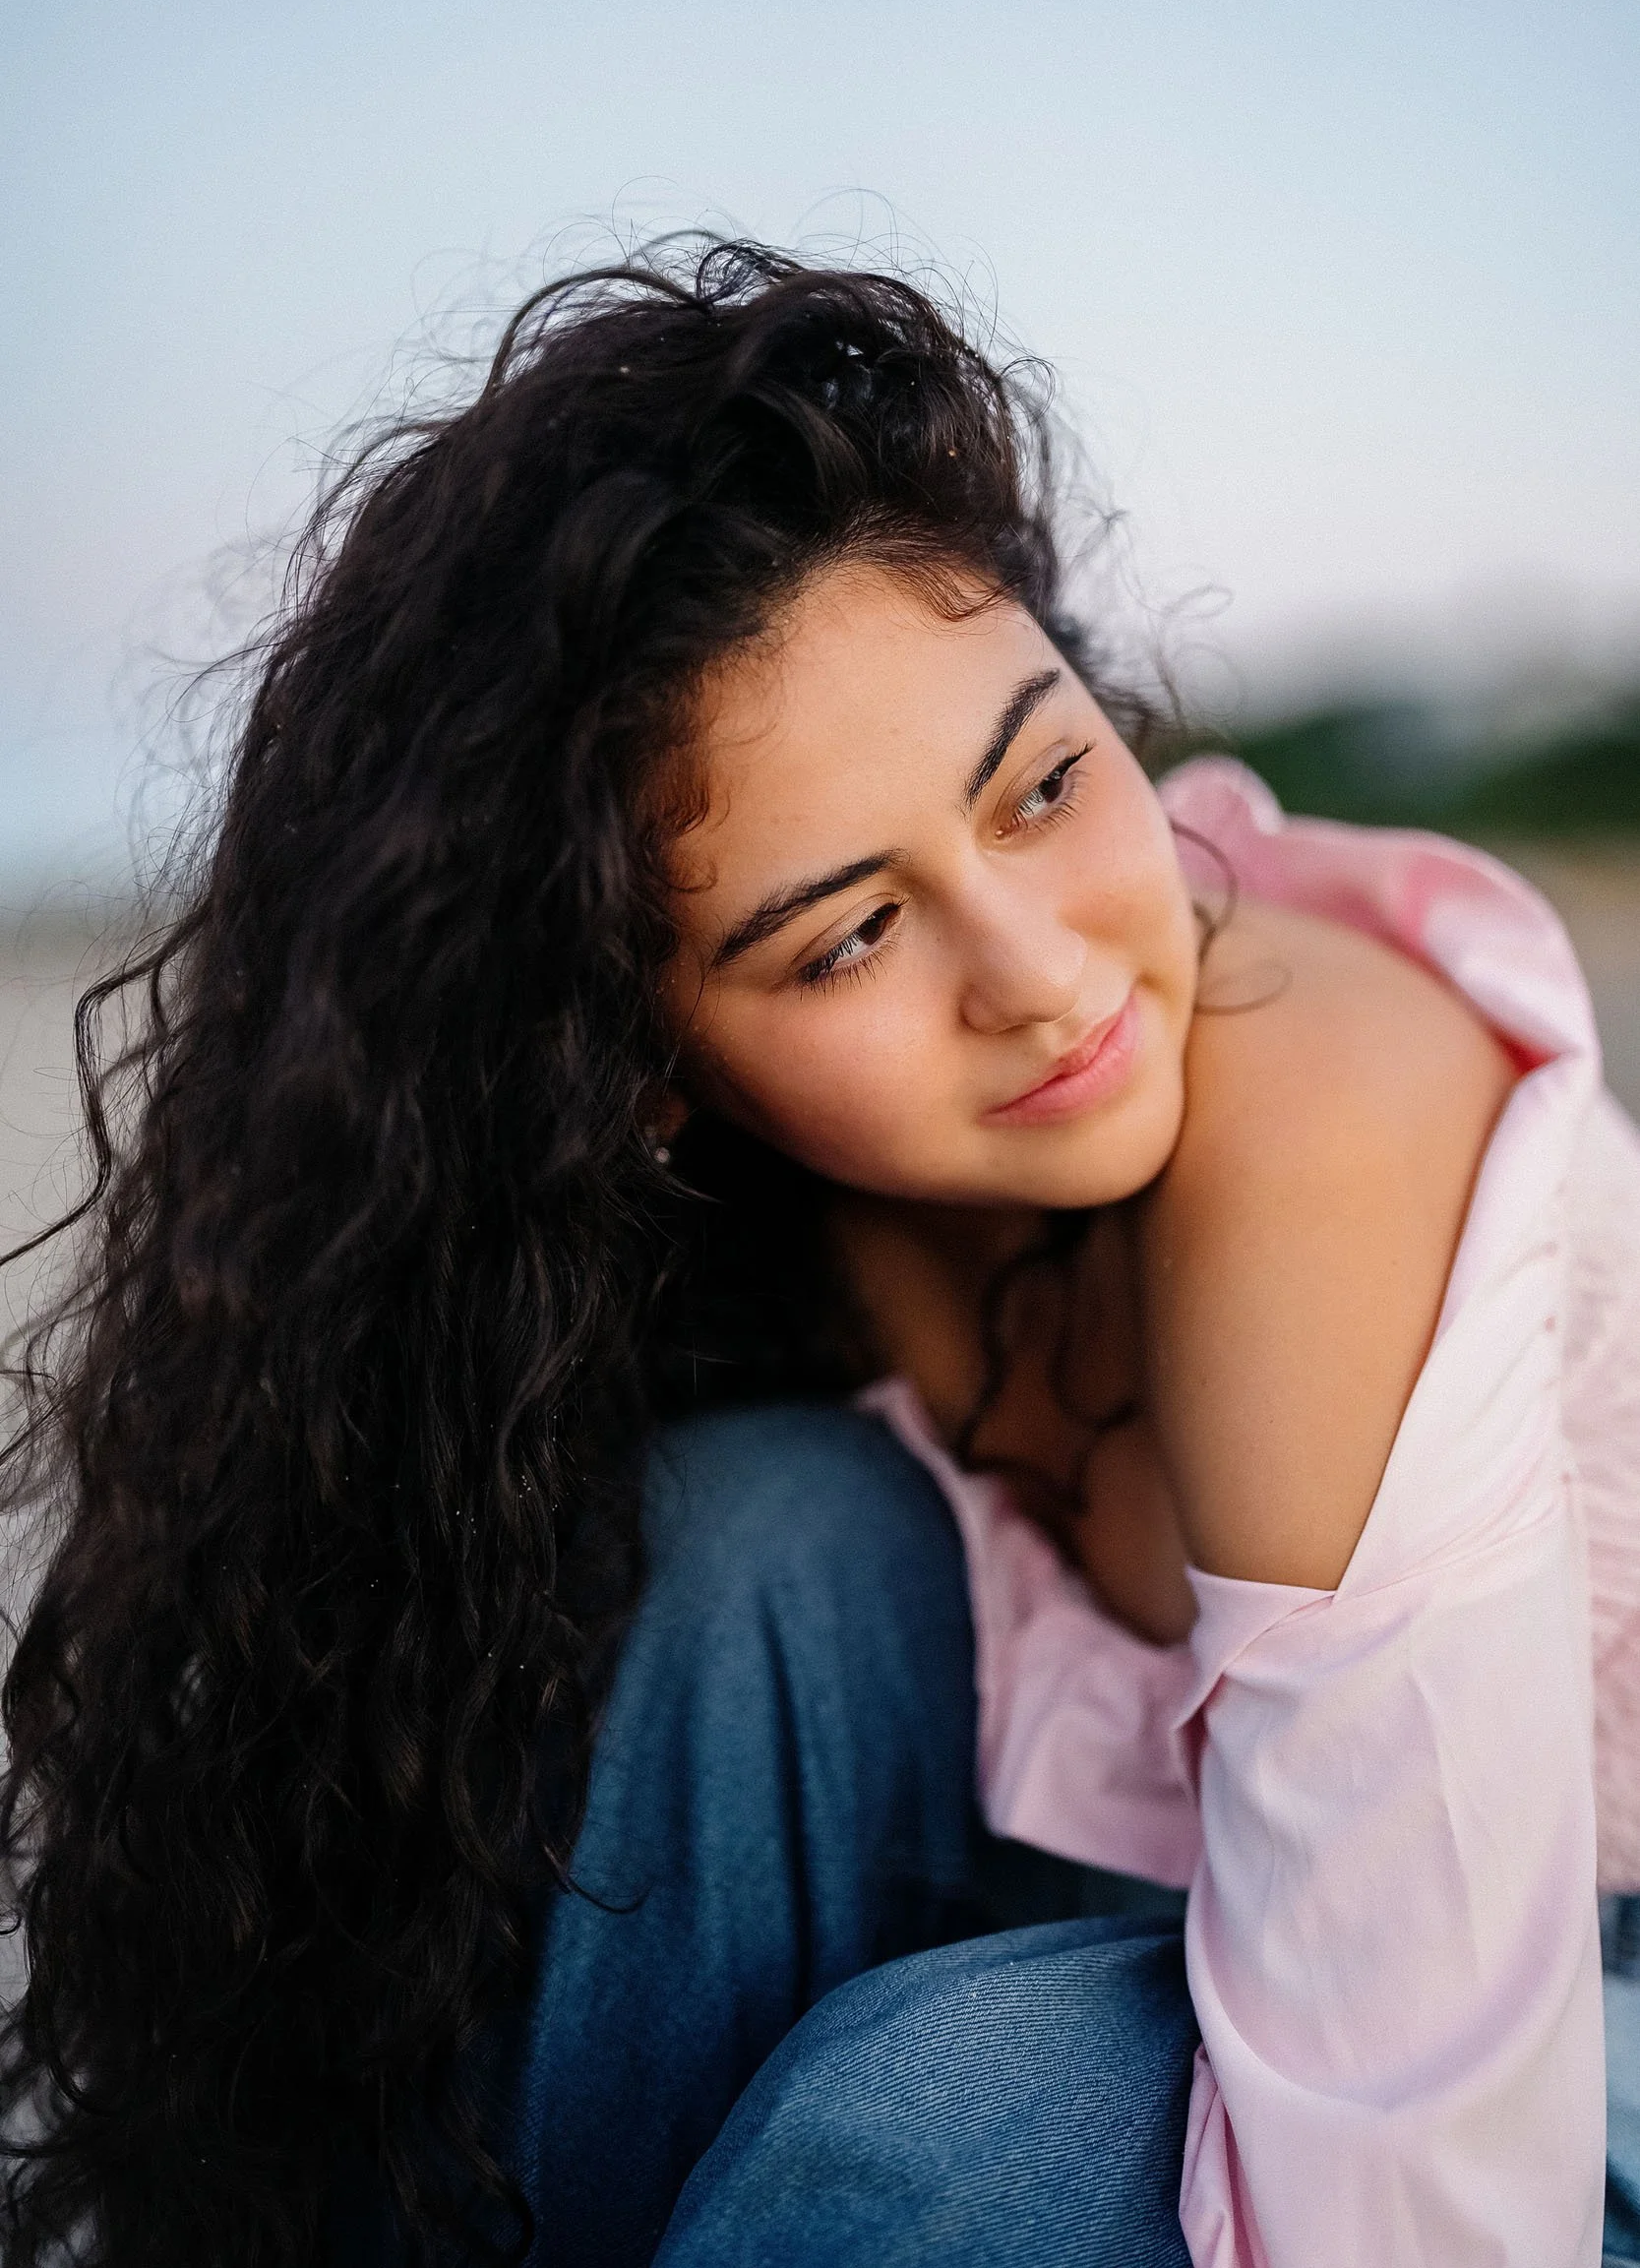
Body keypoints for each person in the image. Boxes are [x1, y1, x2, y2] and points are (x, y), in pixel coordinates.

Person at [2, 240, 1637, 2268]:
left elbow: (1438, 2191)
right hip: (1145, 1889)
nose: (1041, 980)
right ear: (643, 1068)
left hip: (1573, 2001)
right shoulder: (756, 1225)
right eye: (846, 933)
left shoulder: (1315, 1114)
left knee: (939, 2136)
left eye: (1042, 781)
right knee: (743, 1531)